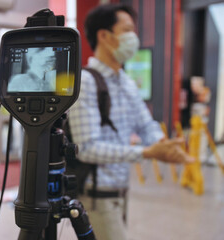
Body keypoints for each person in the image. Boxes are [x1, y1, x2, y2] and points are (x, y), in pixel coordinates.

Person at [67, 4, 194, 240]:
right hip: (96, 194)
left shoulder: (124, 80)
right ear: (104, 36)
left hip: (120, 190)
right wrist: (146, 152)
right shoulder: (85, 82)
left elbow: (145, 124)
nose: (133, 37)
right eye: (126, 30)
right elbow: (86, 148)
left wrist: (163, 145)